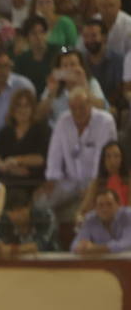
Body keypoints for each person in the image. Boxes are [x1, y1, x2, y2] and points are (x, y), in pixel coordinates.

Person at [45, 87, 116, 218]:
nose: (78, 112)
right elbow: (54, 153)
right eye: (73, 108)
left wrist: (91, 189)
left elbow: (102, 159)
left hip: (97, 183)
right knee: (41, 203)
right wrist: (51, 178)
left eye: (82, 107)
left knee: (86, 213)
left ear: (90, 104)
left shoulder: (105, 121)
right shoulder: (63, 120)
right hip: (69, 182)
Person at [0, 88, 48, 191]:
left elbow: (40, 159)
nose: (22, 110)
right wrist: (5, 167)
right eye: (19, 106)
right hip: (6, 183)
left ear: (32, 108)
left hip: (34, 184)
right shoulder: (6, 131)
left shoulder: (42, 130)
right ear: (13, 109)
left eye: (26, 106)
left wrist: (16, 160)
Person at [0, 188, 57, 259]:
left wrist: (12, 249)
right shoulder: (5, 219)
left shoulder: (45, 217)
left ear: (29, 206)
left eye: (19, 210)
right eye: (12, 211)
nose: (16, 215)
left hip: (52, 260)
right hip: (16, 263)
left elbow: (39, 246)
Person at [72, 187, 131, 254]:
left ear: (118, 205)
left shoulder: (128, 215)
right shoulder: (90, 219)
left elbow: (127, 244)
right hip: (102, 259)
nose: (105, 209)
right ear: (95, 207)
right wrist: (80, 247)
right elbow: (74, 246)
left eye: (109, 204)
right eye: (100, 205)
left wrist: (94, 248)